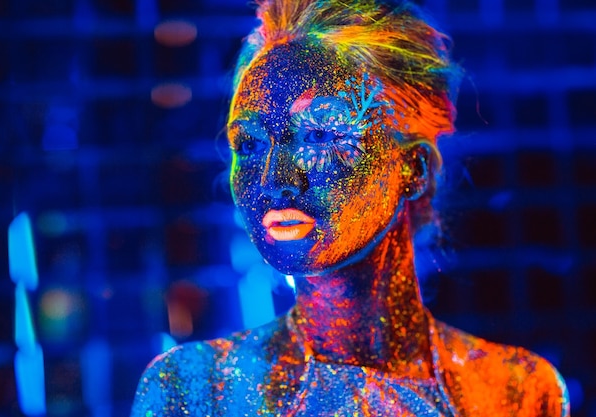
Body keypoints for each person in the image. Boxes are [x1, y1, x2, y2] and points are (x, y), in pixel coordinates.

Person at [131, 0, 570, 415]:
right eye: (248, 143)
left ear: (411, 167)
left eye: (320, 135)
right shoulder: (196, 390)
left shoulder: (516, 391)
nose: (274, 180)